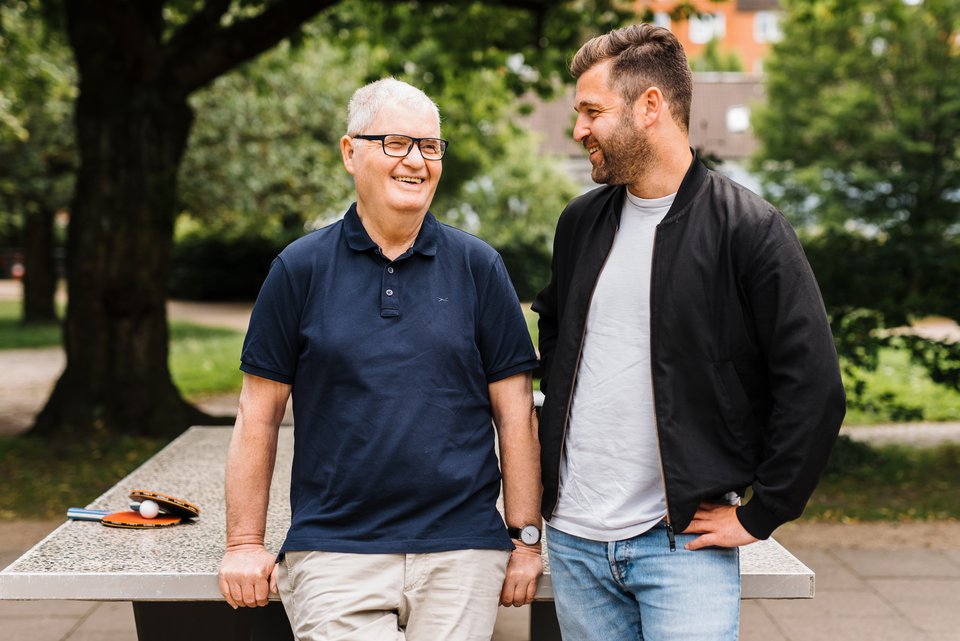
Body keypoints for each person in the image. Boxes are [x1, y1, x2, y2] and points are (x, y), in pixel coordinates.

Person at [532, 24, 846, 641]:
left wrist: (764, 515)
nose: (579, 130)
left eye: (593, 111)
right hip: (574, 541)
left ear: (650, 106)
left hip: (683, 545)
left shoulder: (750, 230)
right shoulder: (579, 223)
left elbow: (812, 385)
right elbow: (558, 340)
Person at [218, 78, 544, 641]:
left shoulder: (479, 267)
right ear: (351, 152)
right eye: (396, 143)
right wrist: (244, 543)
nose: (416, 161)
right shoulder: (299, 269)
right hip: (335, 550)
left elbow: (516, 415)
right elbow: (257, 414)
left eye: (430, 146)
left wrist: (524, 537)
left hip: (461, 549)